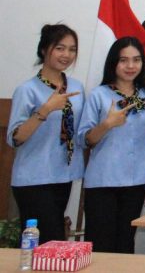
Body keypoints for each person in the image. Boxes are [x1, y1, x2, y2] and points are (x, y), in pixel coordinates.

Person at [8, 24, 85, 244]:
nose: (66, 54)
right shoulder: (27, 90)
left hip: (64, 174)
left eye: (72, 49)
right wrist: (46, 109)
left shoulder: (77, 87)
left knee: (55, 242)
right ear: (44, 50)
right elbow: (16, 137)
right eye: (60, 48)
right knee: (43, 242)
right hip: (33, 178)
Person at [79, 37, 145, 253]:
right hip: (103, 181)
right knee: (100, 245)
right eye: (124, 60)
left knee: (125, 244)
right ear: (113, 62)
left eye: (136, 60)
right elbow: (85, 139)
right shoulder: (99, 94)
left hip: (137, 181)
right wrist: (107, 124)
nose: (131, 66)